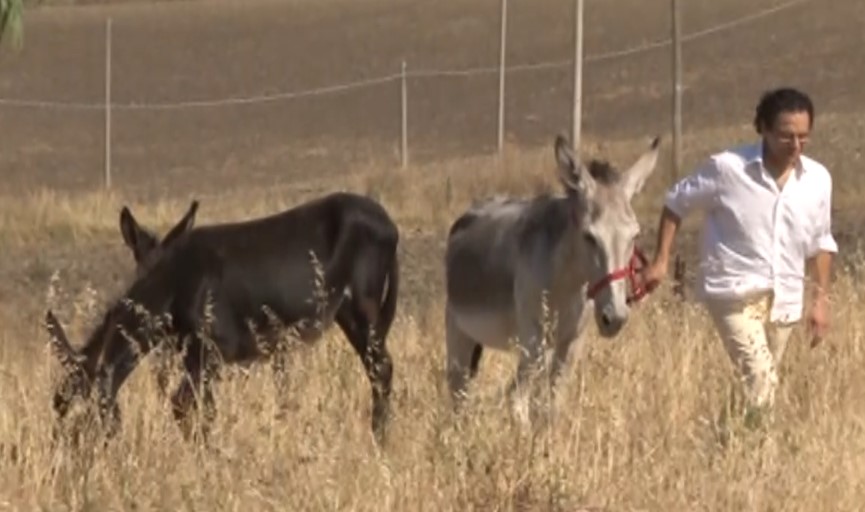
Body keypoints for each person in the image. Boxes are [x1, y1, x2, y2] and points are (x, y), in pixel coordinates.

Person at [641, 87, 837, 428]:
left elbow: (821, 242)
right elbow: (675, 203)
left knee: (756, 385)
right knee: (764, 380)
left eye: (804, 137)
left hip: (785, 299)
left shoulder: (818, 180)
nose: (795, 145)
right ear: (762, 127)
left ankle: (722, 443)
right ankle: (761, 461)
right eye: (786, 135)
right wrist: (660, 260)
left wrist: (820, 301)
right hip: (733, 292)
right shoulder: (727, 169)